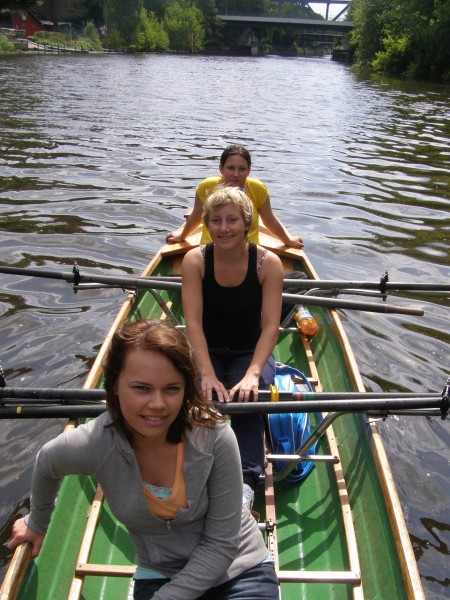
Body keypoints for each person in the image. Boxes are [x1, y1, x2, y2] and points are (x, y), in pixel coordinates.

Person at [7, 320, 279, 600]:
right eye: (142, 388)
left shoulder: (215, 436)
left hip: (240, 567)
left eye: (172, 389)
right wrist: (38, 523)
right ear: (114, 386)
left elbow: (221, 545)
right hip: (162, 571)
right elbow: (47, 462)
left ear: (187, 387)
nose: (158, 404)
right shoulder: (95, 443)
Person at [181, 187, 284, 511]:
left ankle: (245, 482)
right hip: (205, 347)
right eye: (216, 221)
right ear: (207, 225)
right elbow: (193, 323)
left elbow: (271, 326)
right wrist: (208, 374)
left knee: (248, 396)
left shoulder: (269, 263)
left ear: (246, 223)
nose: (224, 228)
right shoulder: (195, 260)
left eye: (231, 220)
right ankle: (195, 471)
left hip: (248, 351)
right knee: (199, 394)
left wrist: (254, 373)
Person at [166, 144, 303, 249]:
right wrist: (182, 236)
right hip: (210, 249)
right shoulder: (207, 187)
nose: (236, 174)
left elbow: (270, 220)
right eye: (231, 168)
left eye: (242, 169)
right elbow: (196, 215)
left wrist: (288, 240)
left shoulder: (257, 189)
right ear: (221, 168)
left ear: (249, 170)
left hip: (247, 251)